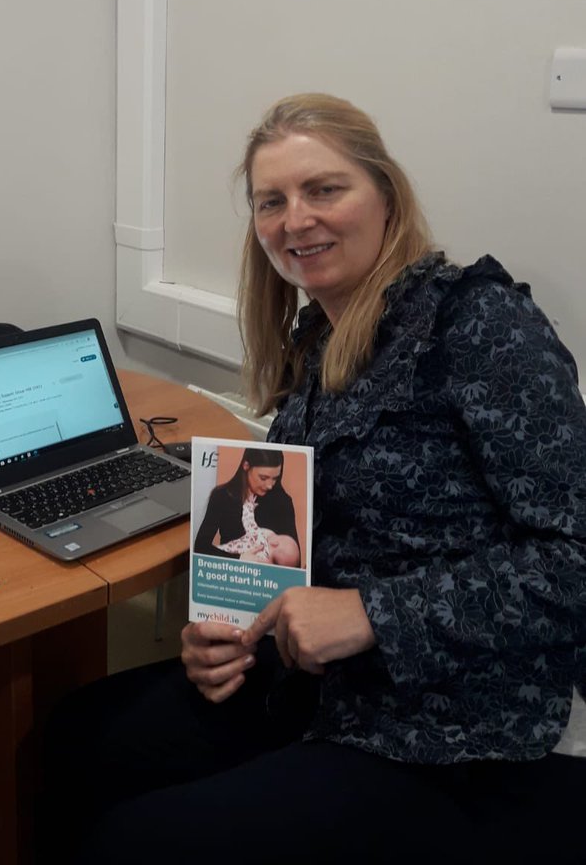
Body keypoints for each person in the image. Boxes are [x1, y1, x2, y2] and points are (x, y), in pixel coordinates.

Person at [42, 94, 586, 864]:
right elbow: (300, 527)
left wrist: (373, 614)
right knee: (73, 736)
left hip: (447, 727)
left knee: (133, 843)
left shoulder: (480, 325)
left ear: (386, 196)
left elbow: (575, 561)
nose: (295, 220)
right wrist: (223, 630)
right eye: (272, 201)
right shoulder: (320, 334)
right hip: (309, 680)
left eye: (324, 189)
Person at [193, 445, 301, 565]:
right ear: (246, 466)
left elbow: (293, 560)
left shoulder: (282, 501)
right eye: (263, 478)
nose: (270, 485)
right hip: (231, 573)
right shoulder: (222, 496)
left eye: (275, 478)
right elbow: (200, 547)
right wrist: (239, 559)